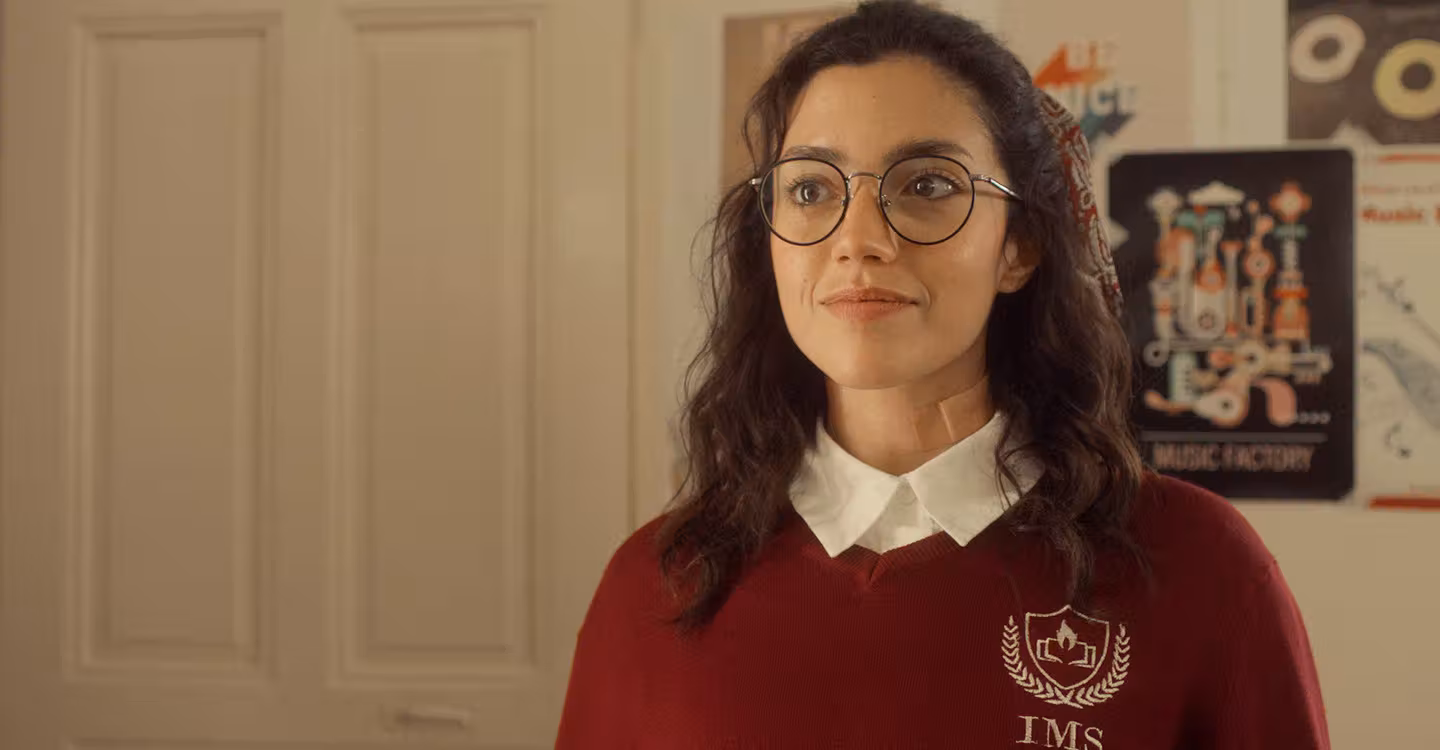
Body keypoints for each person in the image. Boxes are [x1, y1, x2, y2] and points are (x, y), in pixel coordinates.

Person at [557, 1, 1330, 747]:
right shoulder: (656, 585)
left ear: (1018, 247)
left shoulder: (1199, 567)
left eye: (927, 185)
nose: (858, 239)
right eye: (811, 189)